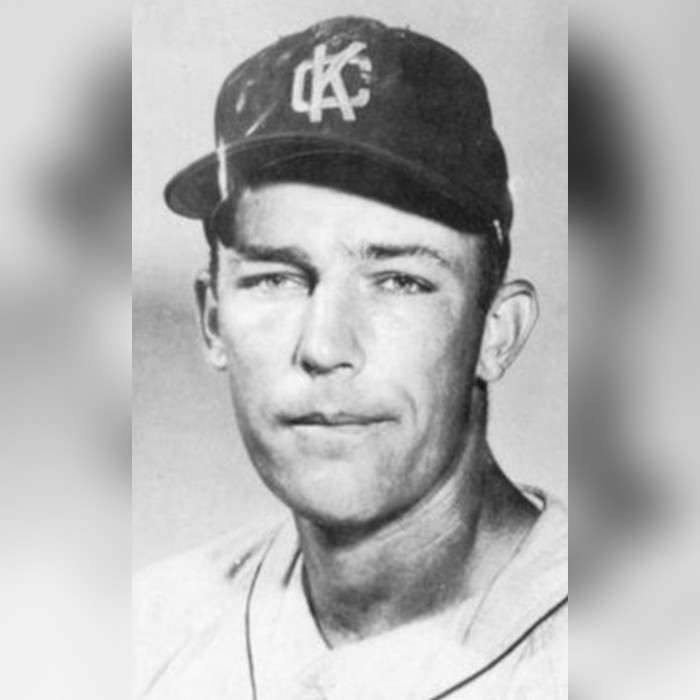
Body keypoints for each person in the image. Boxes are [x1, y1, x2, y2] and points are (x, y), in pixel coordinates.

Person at [134, 16, 567, 700]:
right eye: (275, 279)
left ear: (497, 332)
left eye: (400, 281)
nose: (324, 347)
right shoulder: (143, 635)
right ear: (213, 319)